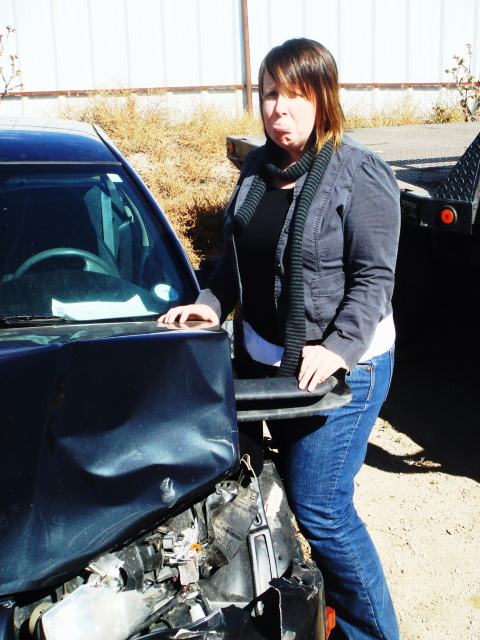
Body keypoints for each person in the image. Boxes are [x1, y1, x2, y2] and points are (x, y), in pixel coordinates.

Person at [159, 38, 401, 640]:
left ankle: (373, 633)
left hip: (343, 369)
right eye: (270, 94)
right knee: (277, 496)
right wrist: (209, 304)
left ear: (324, 99)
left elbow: (374, 278)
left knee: (322, 508)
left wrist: (339, 346)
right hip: (267, 367)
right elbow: (239, 260)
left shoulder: (359, 172)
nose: (279, 109)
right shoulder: (256, 171)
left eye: (295, 95)